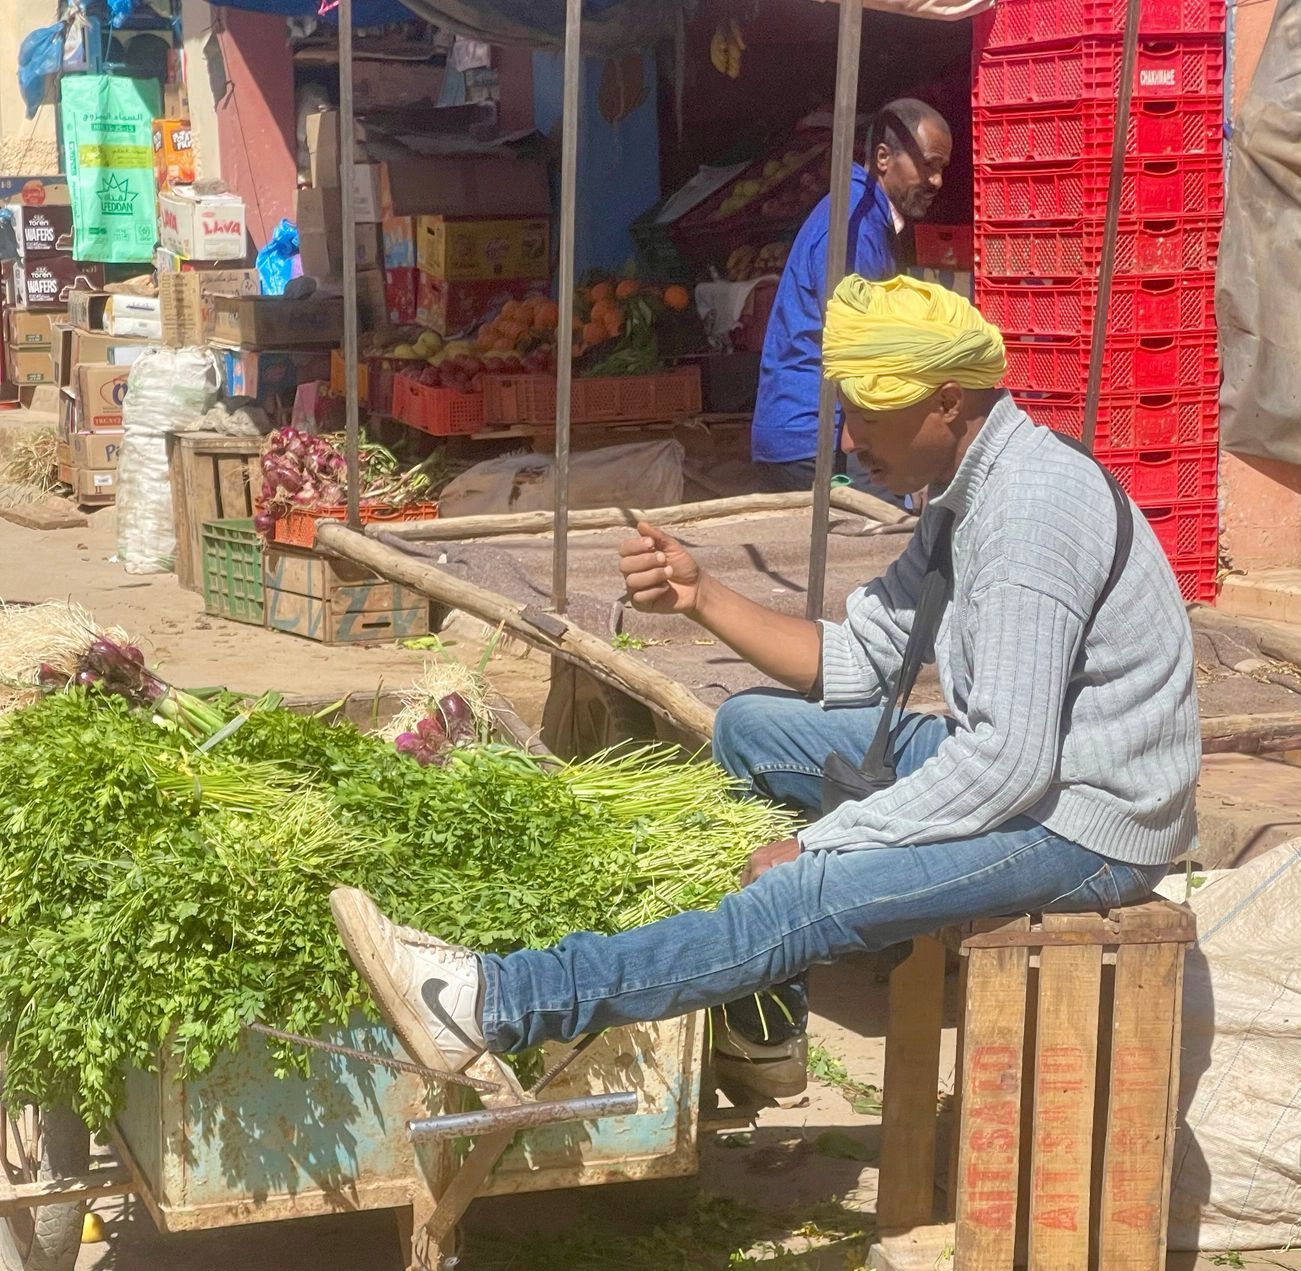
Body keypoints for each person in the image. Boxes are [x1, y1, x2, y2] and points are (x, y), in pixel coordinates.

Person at [330, 275, 1199, 1102]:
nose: (850, 439)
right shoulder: (963, 498)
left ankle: (493, 1003)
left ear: (946, 403)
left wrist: (832, 842)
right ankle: (765, 1031)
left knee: (801, 892)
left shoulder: (1031, 515)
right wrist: (700, 594)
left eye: (866, 414)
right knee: (749, 727)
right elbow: (859, 659)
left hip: (1084, 822)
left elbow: (1007, 763)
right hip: (1028, 770)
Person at [751, 97, 952, 498]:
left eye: (941, 169)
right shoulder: (852, 226)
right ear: (883, 158)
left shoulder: (868, 216)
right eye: (928, 165)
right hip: (814, 437)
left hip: (816, 429)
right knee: (879, 544)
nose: (936, 181)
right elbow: (859, 347)